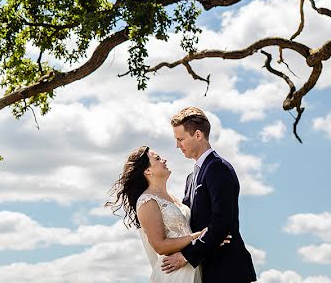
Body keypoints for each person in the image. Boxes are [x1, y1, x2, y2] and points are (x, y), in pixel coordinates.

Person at [161, 107, 257, 282]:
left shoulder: (218, 168)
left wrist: (186, 256)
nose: (177, 145)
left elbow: (221, 223)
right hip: (204, 270)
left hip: (227, 271)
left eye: (180, 139)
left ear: (198, 135)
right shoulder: (191, 178)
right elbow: (189, 223)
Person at [109, 145, 204, 282]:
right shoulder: (147, 201)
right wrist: (200, 236)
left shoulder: (172, 197)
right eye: (158, 159)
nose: (164, 160)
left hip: (190, 267)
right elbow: (160, 245)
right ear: (147, 170)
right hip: (173, 273)